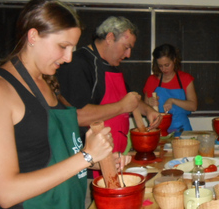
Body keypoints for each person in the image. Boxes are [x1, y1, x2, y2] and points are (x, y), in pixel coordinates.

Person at [0, 0, 130, 209]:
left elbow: (52, 152)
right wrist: (87, 156)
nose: (68, 58)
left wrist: (99, 159)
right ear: (33, 36)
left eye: (72, 48)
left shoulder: (47, 81)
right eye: (63, 46)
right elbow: (5, 193)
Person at [57, 16, 161, 156]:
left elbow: (131, 100)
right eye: (126, 47)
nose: (128, 54)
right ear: (110, 38)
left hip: (116, 155)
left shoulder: (112, 66)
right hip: (89, 162)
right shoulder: (77, 64)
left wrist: (148, 110)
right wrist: (122, 107)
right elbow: (78, 116)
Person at [143, 44, 198, 134]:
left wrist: (172, 100)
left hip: (182, 129)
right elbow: (144, 109)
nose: (164, 69)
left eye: (167, 65)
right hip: (159, 129)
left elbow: (193, 106)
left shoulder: (185, 78)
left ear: (174, 60)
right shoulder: (152, 80)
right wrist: (149, 103)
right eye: (160, 66)